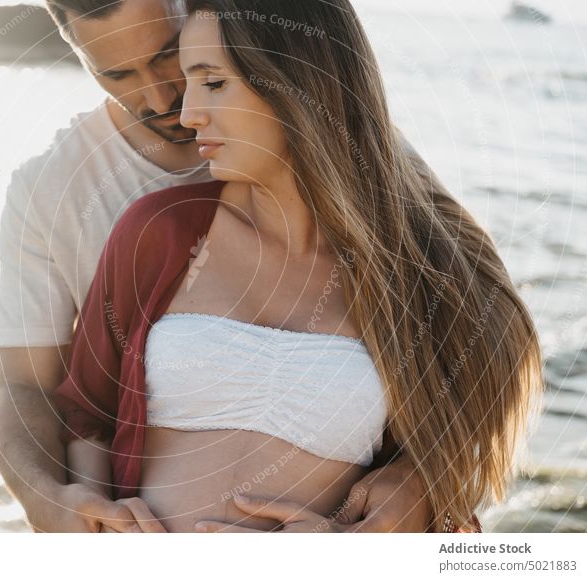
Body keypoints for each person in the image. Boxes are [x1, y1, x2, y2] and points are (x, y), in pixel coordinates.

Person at [53, 0, 544, 533]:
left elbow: (476, 421)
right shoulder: (160, 231)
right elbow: (87, 415)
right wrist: (96, 521)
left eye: (213, 83)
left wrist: (377, 519)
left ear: (295, 84)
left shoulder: (411, 267)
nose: (189, 112)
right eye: (190, 84)